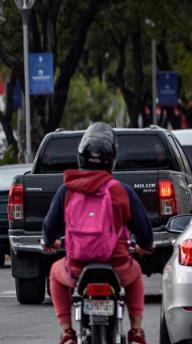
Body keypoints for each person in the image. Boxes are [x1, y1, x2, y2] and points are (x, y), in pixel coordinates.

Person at [42, 123, 153, 344]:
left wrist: (49, 241)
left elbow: (49, 228)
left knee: (55, 273)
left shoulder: (68, 190)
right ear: (112, 159)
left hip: (77, 267)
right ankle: (136, 331)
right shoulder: (121, 191)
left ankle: (67, 332)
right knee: (136, 273)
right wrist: (143, 245)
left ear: (80, 157)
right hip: (117, 265)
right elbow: (145, 232)